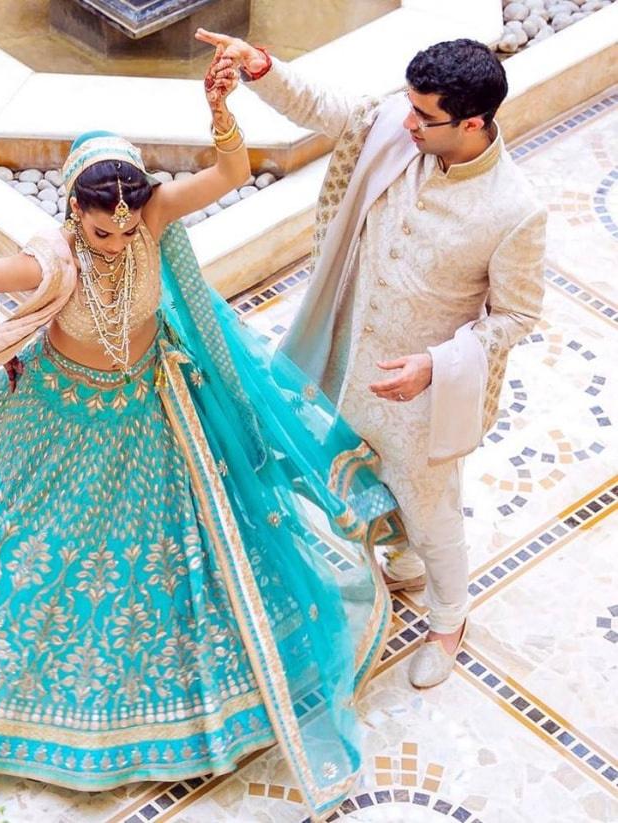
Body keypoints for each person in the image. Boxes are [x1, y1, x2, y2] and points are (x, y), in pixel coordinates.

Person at [0, 53, 400, 817]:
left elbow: (231, 170)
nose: (114, 240)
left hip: (145, 408)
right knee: (35, 551)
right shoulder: (52, 258)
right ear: (74, 211)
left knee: (168, 554)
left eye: (124, 225)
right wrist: (3, 350)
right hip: (58, 411)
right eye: (100, 227)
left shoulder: (152, 220)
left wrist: (219, 109)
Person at [196, 31, 547, 687]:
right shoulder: (398, 128)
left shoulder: (514, 210)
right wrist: (263, 68)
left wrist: (435, 365)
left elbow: (517, 315)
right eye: (408, 106)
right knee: (350, 469)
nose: (405, 121)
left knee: (429, 504)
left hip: (425, 392)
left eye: (424, 116)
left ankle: (449, 618)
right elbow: (330, 109)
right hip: (351, 356)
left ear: (471, 123)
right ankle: (401, 560)